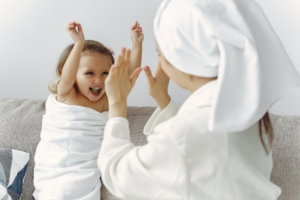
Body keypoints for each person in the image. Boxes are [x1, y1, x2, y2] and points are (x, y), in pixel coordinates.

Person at [98, 0, 300, 199]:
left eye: (161, 54)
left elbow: (119, 176)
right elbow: (200, 160)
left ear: (183, 57)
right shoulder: (247, 108)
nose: (160, 63)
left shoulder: (187, 135)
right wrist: (164, 100)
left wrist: (117, 102)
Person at [33, 21, 144, 199]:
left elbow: (128, 78)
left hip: (83, 171)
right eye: (89, 73)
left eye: (105, 73)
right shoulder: (67, 95)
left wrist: (137, 45)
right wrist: (79, 43)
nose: (99, 81)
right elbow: (66, 79)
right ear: (73, 75)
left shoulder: (108, 101)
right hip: (56, 169)